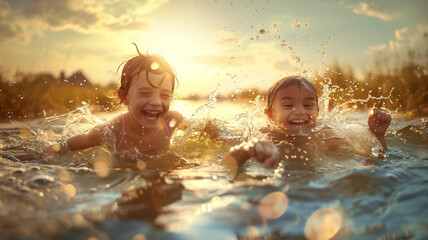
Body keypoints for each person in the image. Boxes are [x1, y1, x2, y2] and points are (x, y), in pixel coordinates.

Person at [45, 44, 183, 163]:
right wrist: (39, 155)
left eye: (165, 95)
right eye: (145, 93)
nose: (156, 102)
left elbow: (199, 128)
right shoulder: (112, 131)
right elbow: (68, 145)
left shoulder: (172, 120)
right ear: (124, 97)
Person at [221, 76, 392, 169]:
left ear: (317, 112)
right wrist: (246, 151)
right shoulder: (264, 138)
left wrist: (377, 135)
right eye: (288, 105)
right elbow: (225, 165)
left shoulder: (327, 137)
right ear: (270, 115)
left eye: (308, 105)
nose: (301, 111)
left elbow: (374, 160)